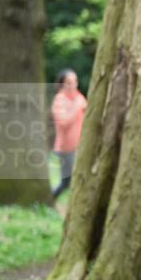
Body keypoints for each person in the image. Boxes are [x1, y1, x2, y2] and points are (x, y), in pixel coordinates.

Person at [50, 69, 87, 200]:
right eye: (69, 82)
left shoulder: (79, 97)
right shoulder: (59, 100)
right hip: (65, 149)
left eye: (75, 82)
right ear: (62, 84)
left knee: (74, 181)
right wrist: (76, 107)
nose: (73, 85)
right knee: (68, 182)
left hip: (79, 147)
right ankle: (48, 199)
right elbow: (63, 122)